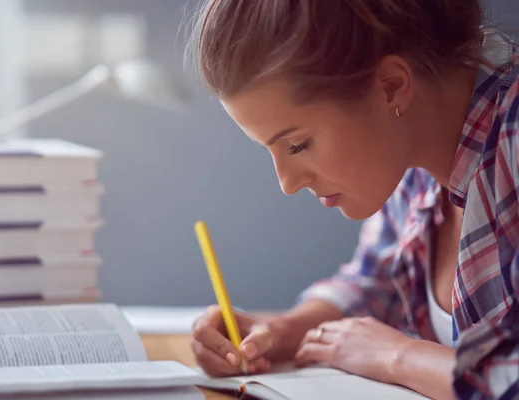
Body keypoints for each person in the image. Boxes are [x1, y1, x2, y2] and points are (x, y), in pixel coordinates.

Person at [185, 1, 519, 399]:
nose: (287, 184)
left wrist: (399, 357)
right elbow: (373, 286)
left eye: (297, 144)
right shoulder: (410, 150)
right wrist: (277, 334)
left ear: (391, 86)